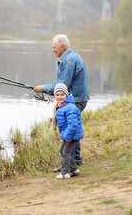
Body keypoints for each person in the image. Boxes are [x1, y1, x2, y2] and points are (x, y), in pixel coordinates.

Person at [34, 34, 90, 167]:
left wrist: (42, 88)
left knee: (68, 127)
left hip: (75, 99)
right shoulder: (70, 57)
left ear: (62, 47)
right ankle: (74, 160)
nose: (53, 50)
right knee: (72, 126)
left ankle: (70, 162)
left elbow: (61, 86)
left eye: (54, 47)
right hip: (76, 98)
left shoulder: (68, 61)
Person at [53, 83, 84, 179]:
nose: (59, 97)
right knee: (62, 151)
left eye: (62, 95)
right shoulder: (61, 106)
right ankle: (74, 169)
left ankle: (65, 173)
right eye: (57, 95)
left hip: (72, 135)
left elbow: (73, 125)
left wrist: (68, 137)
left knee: (65, 152)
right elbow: (64, 120)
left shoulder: (70, 107)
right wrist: (53, 120)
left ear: (66, 95)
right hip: (69, 134)